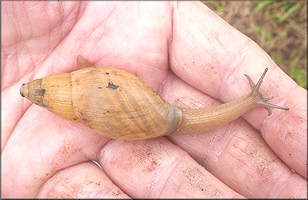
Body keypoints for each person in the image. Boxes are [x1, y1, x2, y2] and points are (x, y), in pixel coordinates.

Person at [2, 1, 306, 198]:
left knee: (177, 119)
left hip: (89, 93)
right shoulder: (81, 90)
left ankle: (250, 100)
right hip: (84, 92)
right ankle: (250, 101)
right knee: (176, 120)